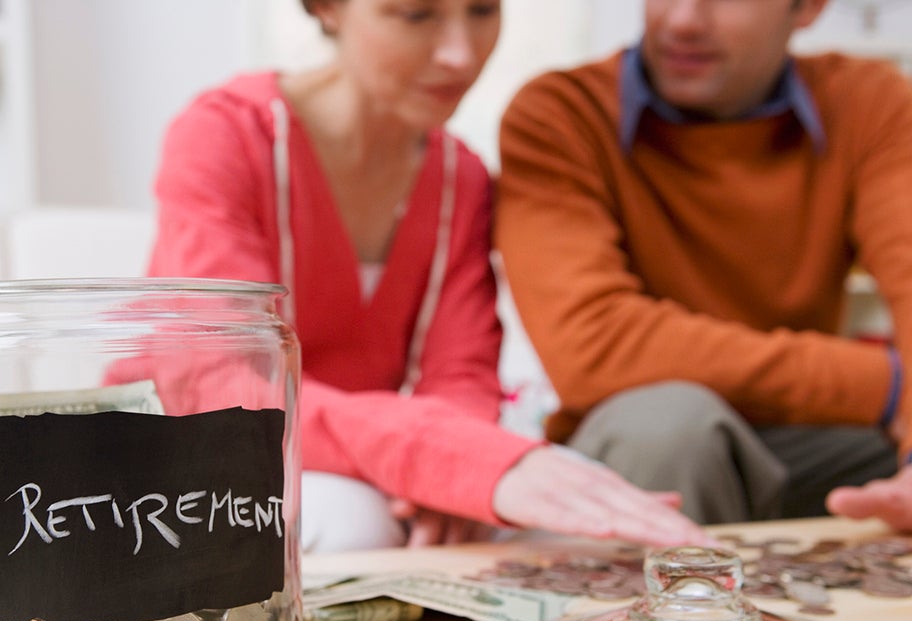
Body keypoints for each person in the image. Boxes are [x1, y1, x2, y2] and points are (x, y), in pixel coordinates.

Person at [144, 0, 710, 552]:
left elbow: (461, 372)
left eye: (484, 11)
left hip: (373, 458)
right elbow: (223, 382)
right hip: (204, 443)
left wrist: (450, 480)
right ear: (328, 8)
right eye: (416, 15)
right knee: (351, 523)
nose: (460, 55)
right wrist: (441, 459)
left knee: (580, 513)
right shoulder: (225, 136)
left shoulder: (460, 176)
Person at [495, 0, 912, 531]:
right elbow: (593, 348)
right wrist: (885, 384)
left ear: (808, 7)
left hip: (803, 436)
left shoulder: (868, 101)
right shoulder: (561, 115)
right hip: (644, 444)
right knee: (671, 427)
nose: (683, 21)